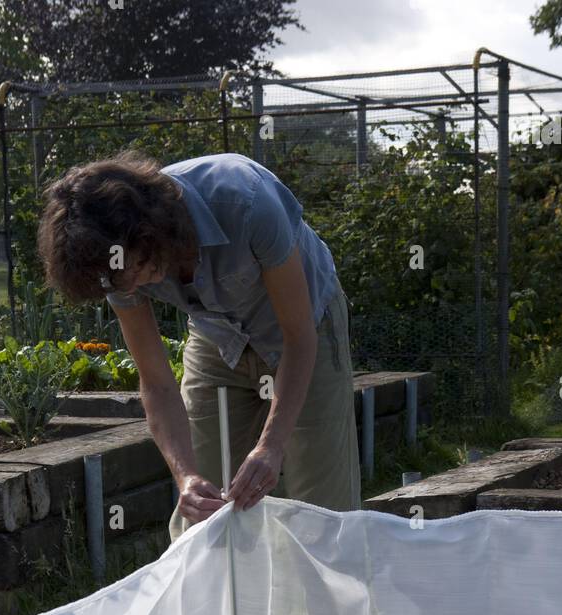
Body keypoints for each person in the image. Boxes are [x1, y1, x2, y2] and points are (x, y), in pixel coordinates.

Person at [38, 149, 361, 539]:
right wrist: (185, 475)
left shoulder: (249, 203)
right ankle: (211, 598)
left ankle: (326, 595)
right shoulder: (114, 266)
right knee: (200, 511)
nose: (134, 286)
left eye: (138, 270)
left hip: (305, 330)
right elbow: (156, 383)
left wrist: (271, 446)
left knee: (321, 510)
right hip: (218, 338)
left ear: (151, 227)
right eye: (119, 282)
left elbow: (298, 336)